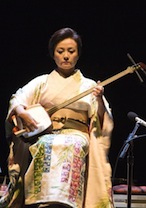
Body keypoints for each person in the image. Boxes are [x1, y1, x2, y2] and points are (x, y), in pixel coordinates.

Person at [2, 27, 114, 208]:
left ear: (78, 54)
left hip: (77, 134)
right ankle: (41, 201)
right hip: (46, 133)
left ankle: (67, 201)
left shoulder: (89, 85)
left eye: (71, 51)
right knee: (46, 144)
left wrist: (99, 99)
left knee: (71, 144)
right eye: (60, 51)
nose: (66, 56)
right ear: (53, 54)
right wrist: (22, 112)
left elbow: (101, 120)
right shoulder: (42, 81)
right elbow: (18, 99)